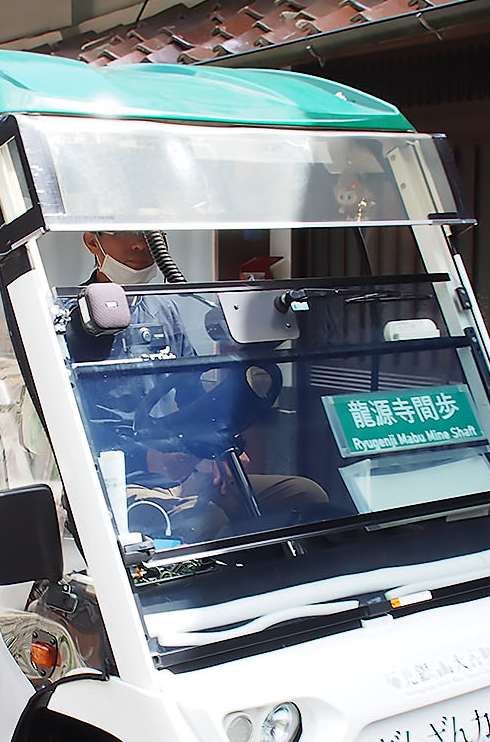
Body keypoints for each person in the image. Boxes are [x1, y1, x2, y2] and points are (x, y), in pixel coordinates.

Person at [79, 232, 328, 542]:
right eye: (127, 234)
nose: (139, 244)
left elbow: (190, 387)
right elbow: (78, 423)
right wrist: (148, 458)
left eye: (149, 234)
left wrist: (217, 445)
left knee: (305, 495)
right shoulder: (76, 321)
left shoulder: (163, 309)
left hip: (184, 472)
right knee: (209, 521)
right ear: (93, 242)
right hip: (123, 481)